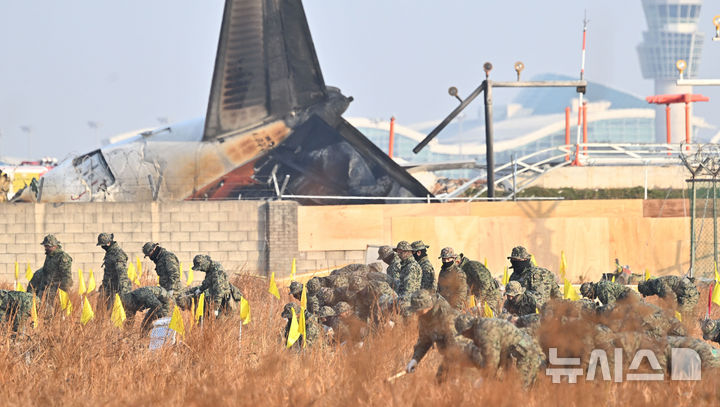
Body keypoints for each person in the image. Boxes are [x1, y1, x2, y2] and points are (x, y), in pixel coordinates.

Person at [404, 290, 480, 381]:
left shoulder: (447, 317)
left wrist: (454, 375)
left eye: (419, 310)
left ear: (428, 306)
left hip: (467, 356)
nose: (416, 313)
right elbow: (424, 340)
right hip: (451, 356)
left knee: (465, 384)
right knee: (439, 382)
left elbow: (456, 348)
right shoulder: (425, 317)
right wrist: (415, 359)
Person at [459, 315, 546, 389]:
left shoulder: (483, 331)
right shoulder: (484, 324)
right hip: (523, 352)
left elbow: (492, 361)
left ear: (467, 330)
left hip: (526, 355)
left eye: (464, 334)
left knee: (521, 391)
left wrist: (483, 380)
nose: (466, 336)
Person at [28, 235, 73, 306]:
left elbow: (66, 276)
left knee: (53, 310)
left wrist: (63, 293)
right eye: (45, 246)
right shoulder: (49, 255)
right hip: (47, 290)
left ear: (54, 246)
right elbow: (46, 271)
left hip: (56, 291)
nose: (45, 248)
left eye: (47, 246)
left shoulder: (62, 257)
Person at [97, 233, 132, 309]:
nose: (102, 247)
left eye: (103, 245)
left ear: (108, 243)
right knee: (100, 308)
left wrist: (124, 293)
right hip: (108, 287)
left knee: (114, 311)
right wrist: (104, 286)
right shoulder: (110, 252)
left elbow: (122, 275)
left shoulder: (118, 254)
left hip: (117, 289)